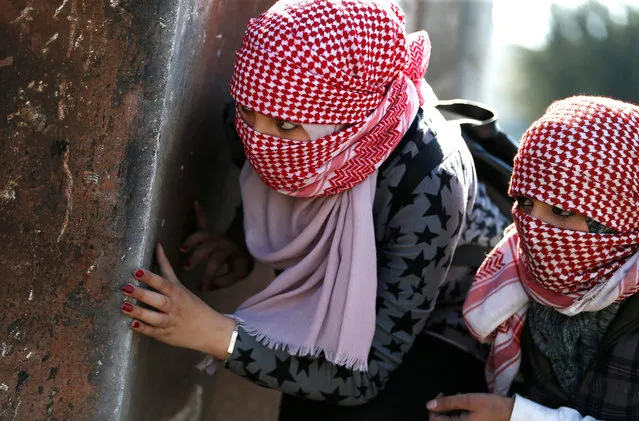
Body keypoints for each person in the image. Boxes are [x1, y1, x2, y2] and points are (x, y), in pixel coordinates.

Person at [119, 0, 507, 419]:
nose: (262, 142)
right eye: (251, 115)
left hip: (447, 314)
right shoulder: (257, 110)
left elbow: (365, 373)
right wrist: (241, 240)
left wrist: (214, 334)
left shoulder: (430, 182)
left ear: (350, 119)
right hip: (337, 292)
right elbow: (268, 177)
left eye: (287, 127)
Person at [426, 96, 639, 421]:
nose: (535, 229)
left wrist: (516, 416)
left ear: (621, 215)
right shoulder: (512, 273)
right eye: (525, 203)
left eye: (562, 211)